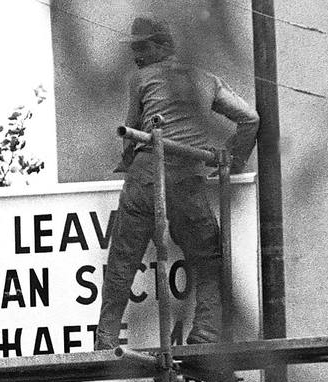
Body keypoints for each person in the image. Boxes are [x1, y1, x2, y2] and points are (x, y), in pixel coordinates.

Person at [93, 16, 260, 351]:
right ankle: (206, 333)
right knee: (208, 258)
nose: (136, 55)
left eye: (142, 47)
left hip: (147, 174)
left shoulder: (140, 78)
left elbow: (130, 134)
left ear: (163, 46)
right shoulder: (206, 80)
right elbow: (250, 119)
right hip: (186, 177)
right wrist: (231, 159)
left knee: (124, 257)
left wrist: (127, 160)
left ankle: (106, 337)